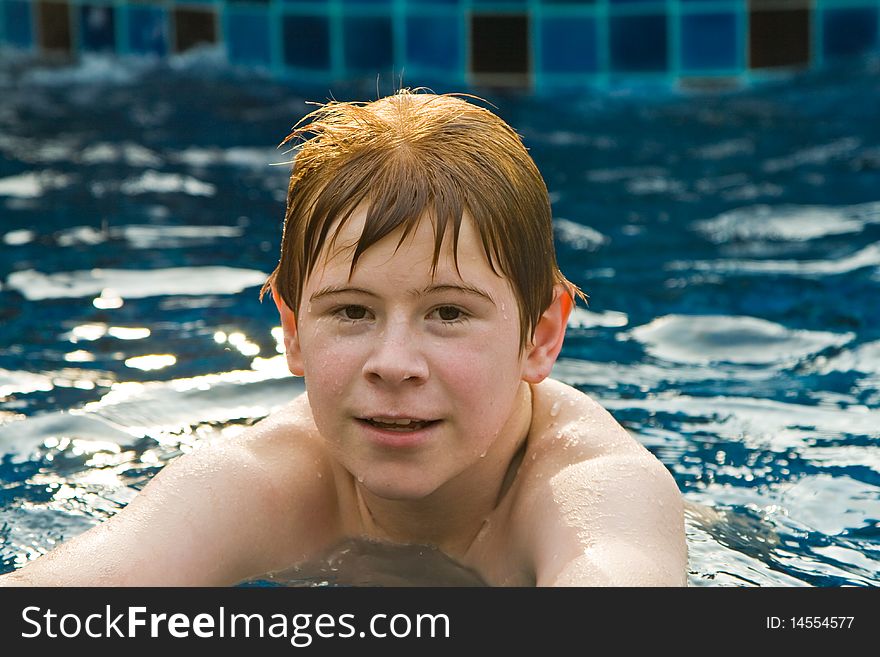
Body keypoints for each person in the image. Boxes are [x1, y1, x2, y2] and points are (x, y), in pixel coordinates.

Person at [0, 89, 686, 586]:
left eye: (448, 313)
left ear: (541, 336)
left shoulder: (594, 489)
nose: (394, 364)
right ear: (293, 332)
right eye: (352, 312)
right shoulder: (268, 480)